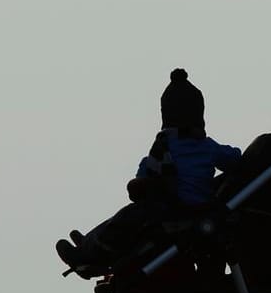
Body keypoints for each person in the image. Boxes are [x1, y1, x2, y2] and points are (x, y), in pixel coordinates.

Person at [55, 69, 242, 272]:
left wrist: (144, 184)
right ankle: (90, 245)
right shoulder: (207, 146)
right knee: (129, 218)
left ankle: (92, 250)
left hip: (175, 211)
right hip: (195, 208)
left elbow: (144, 173)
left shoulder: (163, 146)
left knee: (125, 218)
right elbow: (233, 159)